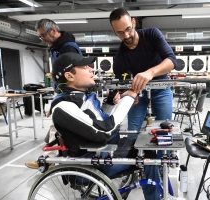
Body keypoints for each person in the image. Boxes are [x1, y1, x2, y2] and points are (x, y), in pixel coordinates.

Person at [109, 8, 177, 200]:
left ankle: (161, 170)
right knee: (133, 132)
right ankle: (140, 168)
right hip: (138, 90)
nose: (127, 35)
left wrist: (149, 73)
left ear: (134, 22)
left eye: (128, 29)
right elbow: (121, 78)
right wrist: (126, 92)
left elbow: (172, 60)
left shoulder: (152, 35)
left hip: (160, 85)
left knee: (164, 133)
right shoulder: (120, 56)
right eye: (120, 32)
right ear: (114, 31)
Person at [38, 52, 138, 177]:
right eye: (85, 67)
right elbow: (104, 131)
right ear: (69, 76)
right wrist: (130, 96)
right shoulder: (63, 106)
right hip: (96, 161)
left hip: (106, 150)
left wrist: (110, 103)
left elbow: (94, 121)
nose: (92, 70)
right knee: (150, 156)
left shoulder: (80, 97)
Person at [25, 19, 82, 169]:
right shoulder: (57, 47)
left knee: (57, 128)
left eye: (43, 36)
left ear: (54, 31)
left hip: (69, 95)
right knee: (58, 130)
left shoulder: (67, 48)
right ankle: (52, 159)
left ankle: (49, 161)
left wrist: (59, 100)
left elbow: (72, 77)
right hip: (64, 94)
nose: (42, 39)